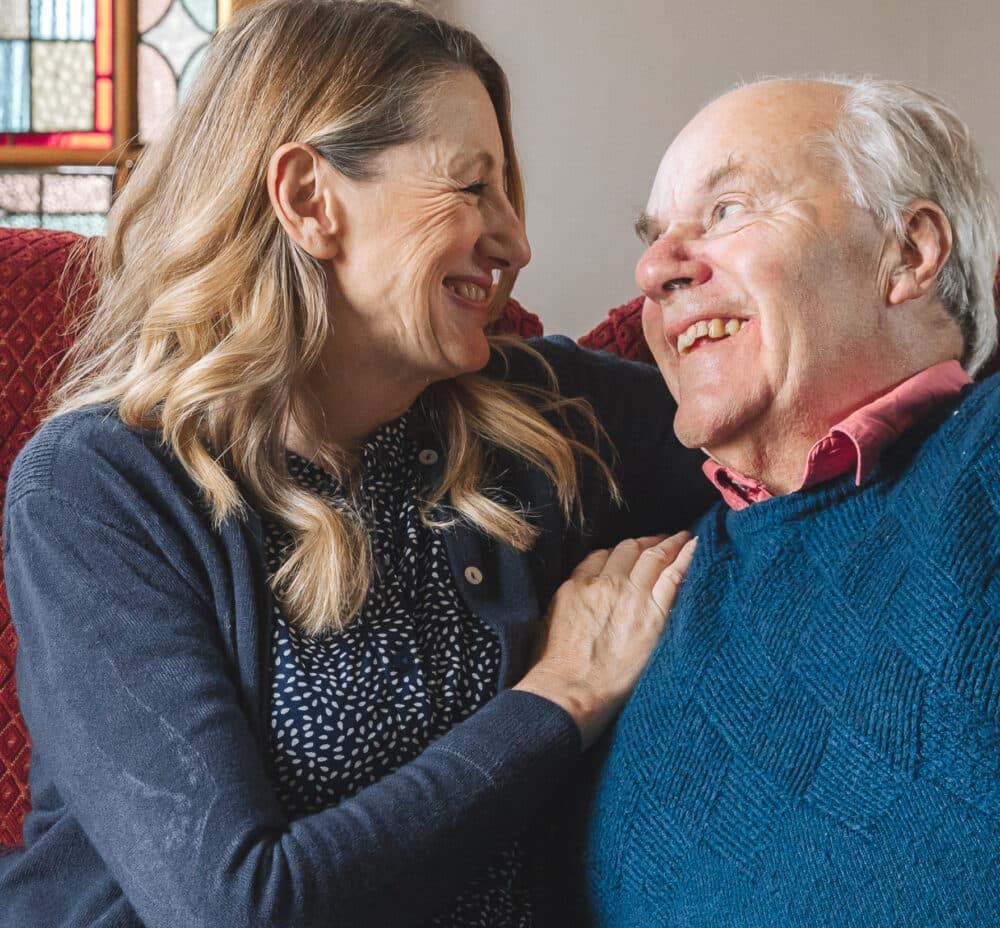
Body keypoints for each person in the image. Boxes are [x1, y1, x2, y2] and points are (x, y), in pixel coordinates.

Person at [0, 2, 716, 926]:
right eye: (471, 188)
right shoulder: (103, 487)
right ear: (309, 199)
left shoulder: (532, 415)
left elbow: (782, 426)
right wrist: (562, 696)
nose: (515, 242)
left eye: (509, 193)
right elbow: (238, 908)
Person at [585, 76, 1000, 925]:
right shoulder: (638, 589)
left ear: (910, 255)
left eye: (728, 209)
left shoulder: (982, 463)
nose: (654, 268)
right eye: (656, 236)